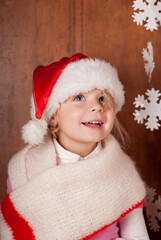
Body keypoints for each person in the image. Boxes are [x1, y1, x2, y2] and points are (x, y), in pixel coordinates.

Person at [0, 53, 150, 240]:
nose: (97, 107)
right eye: (79, 97)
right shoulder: (25, 169)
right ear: (53, 115)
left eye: (102, 98)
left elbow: (137, 235)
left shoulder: (122, 172)